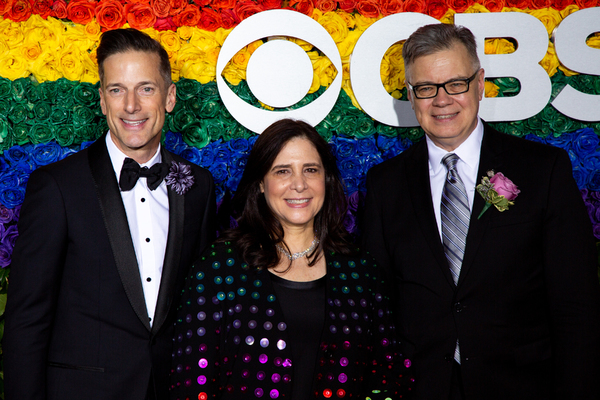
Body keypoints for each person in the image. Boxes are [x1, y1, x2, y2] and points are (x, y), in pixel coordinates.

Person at [362, 23, 600, 400]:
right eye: (426, 88)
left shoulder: (542, 170)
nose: (442, 100)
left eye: (455, 83)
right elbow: (376, 310)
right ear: (410, 96)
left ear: (479, 83)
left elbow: (577, 306)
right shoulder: (384, 186)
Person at [3, 28, 216, 400]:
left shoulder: (198, 186)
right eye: (117, 89)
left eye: (146, 88)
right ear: (102, 100)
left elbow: (201, 308)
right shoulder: (56, 187)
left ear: (170, 97)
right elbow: (26, 320)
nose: (131, 105)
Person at [170, 119, 412, 400]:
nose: (299, 184)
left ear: (327, 179)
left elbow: (389, 377)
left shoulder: (361, 272)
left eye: (310, 170)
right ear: (261, 183)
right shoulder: (218, 267)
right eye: (282, 171)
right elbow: (190, 385)